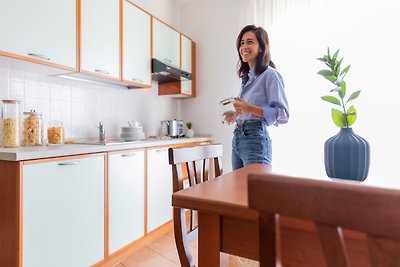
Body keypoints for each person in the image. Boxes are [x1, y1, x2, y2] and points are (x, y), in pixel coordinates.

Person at [223, 25, 289, 170]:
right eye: (242, 43)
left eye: (250, 42)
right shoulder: (247, 78)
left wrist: (248, 108)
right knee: (238, 190)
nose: (244, 46)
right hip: (238, 137)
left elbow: (283, 114)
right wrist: (236, 114)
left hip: (255, 138)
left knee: (254, 191)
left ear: (261, 47)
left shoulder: (271, 75)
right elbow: (250, 112)